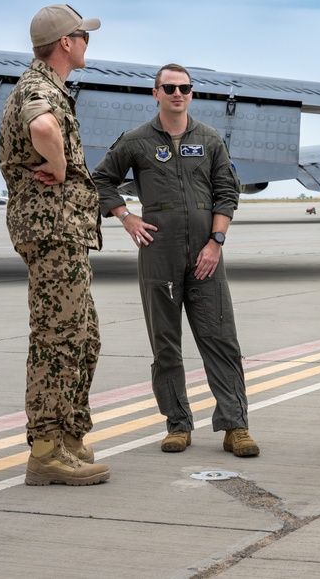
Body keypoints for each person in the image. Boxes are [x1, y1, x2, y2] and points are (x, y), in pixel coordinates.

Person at [91, 64, 259, 458]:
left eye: (184, 87)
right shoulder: (136, 141)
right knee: (166, 345)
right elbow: (100, 180)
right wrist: (127, 217)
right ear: (156, 93)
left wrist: (216, 242)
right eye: (169, 87)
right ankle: (178, 424)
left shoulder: (210, 139)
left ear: (192, 93)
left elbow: (226, 192)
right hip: (159, 254)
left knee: (221, 341)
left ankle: (235, 426)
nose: (177, 93)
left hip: (206, 254)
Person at [0, 4, 110, 486]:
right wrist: (60, 165)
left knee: (83, 338)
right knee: (58, 340)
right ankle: (46, 450)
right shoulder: (39, 88)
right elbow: (42, 127)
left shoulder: (48, 86)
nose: (87, 43)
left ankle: (69, 435)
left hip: (63, 231)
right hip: (52, 230)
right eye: (83, 36)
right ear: (66, 42)